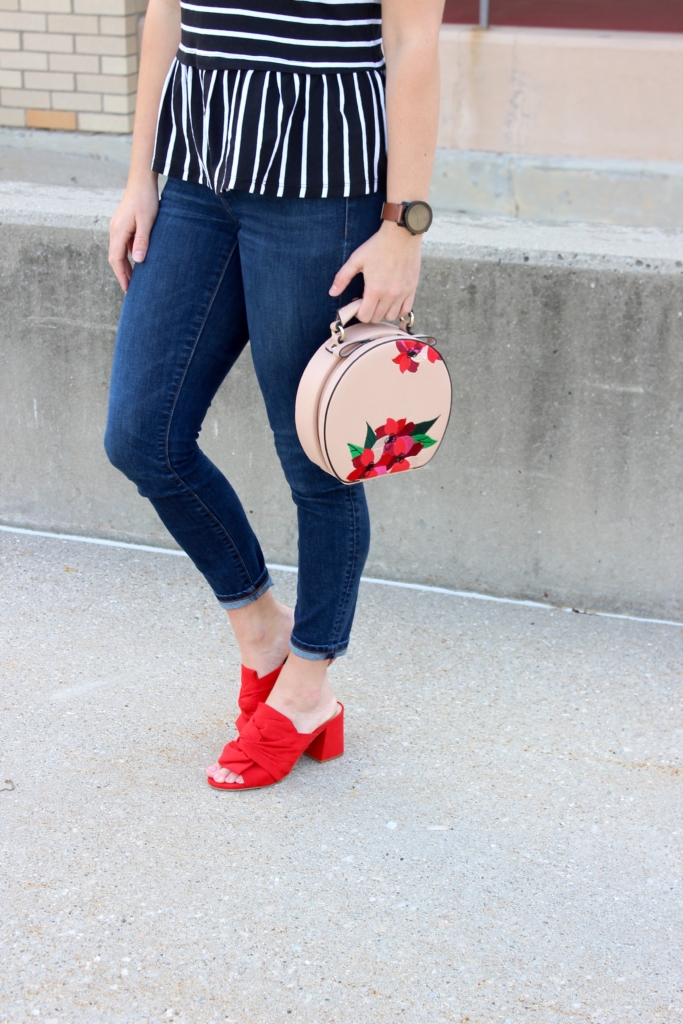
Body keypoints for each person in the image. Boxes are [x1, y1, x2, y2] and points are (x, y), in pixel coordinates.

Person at [105, 0, 444, 790]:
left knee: (319, 461)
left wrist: (404, 226)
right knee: (141, 436)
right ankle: (262, 630)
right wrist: (139, 177)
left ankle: (308, 684)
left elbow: (412, 38)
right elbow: (166, 10)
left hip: (321, 191)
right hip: (195, 178)